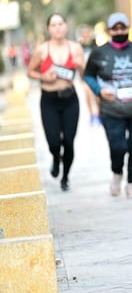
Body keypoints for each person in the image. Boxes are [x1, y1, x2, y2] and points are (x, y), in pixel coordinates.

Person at [84, 13, 132, 199]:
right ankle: (117, 173)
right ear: (109, 31)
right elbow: (88, 75)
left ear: (128, 29)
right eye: (115, 29)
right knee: (118, 147)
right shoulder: (99, 53)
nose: (119, 31)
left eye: (123, 28)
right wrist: (99, 90)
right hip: (111, 109)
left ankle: (131, 184)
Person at [27, 13, 85, 191]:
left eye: (60, 24)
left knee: (68, 141)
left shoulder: (75, 48)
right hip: (49, 100)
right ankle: (55, 158)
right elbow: (30, 71)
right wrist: (43, 76)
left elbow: (84, 75)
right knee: (54, 142)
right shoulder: (42, 50)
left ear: (66, 26)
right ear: (48, 29)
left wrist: (80, 64)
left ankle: (65, 177)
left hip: (70, 99)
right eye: (53, 25)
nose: (58, 27)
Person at [77, 25, 102, 126]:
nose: (86, 35)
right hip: (85, 75)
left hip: (95, 74)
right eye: (84, 33)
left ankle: (99, 114)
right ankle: (91, 115)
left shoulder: (94, 45)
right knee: (88, 95)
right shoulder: (79, 46)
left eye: (87, 33)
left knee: (97, 96)